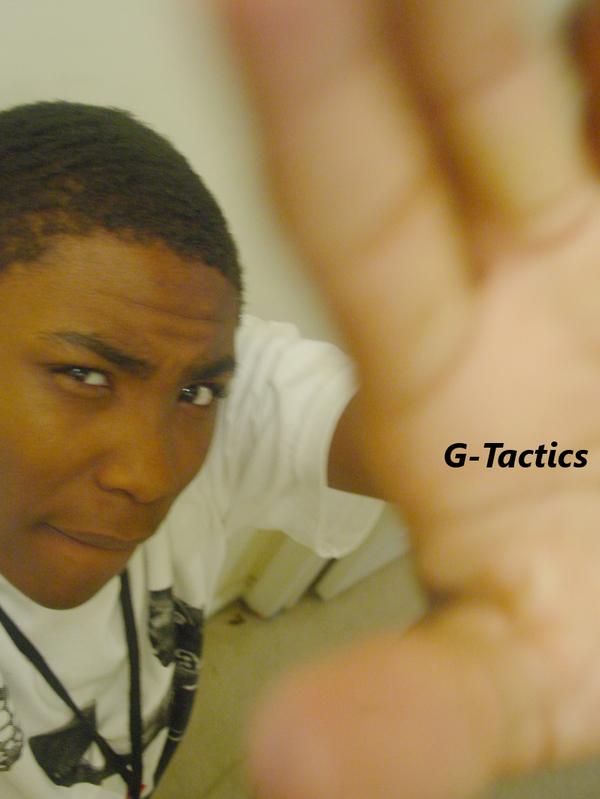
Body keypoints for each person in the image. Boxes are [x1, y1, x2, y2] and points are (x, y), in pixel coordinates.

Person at [214, 0, 600, 798]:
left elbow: (325, 426)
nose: (139, 468)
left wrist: (550, 458)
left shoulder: (212, 387)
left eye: (185, 390)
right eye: (78, 375)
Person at [0, 100, 383, 798]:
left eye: (197, 393)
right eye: (84, 376)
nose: (151, 476)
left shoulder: (195, 362)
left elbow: (467, 442)